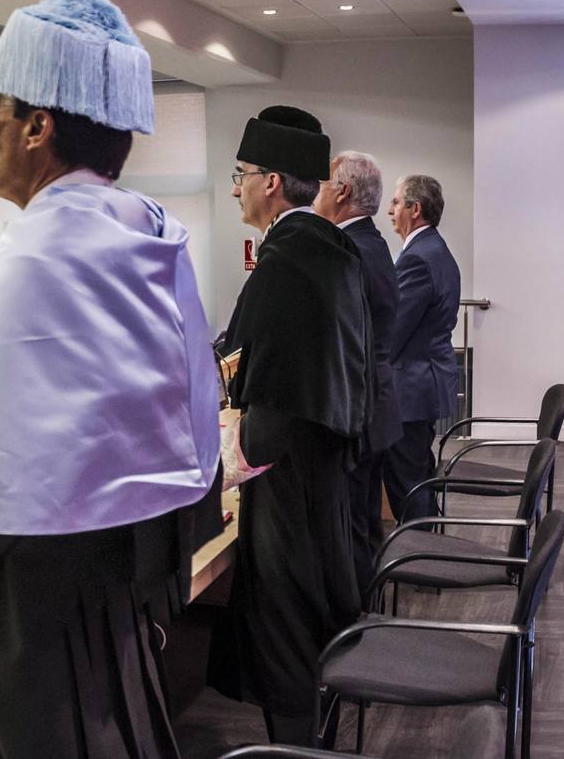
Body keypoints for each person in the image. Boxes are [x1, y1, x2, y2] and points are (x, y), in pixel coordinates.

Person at [0, 0, 223, 758]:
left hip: (31, 618)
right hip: (113, 593)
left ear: (38, 126)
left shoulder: (47, 249)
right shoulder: (141, 228)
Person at [218, 104, 370, 743]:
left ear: (272, 181)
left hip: (286, 488)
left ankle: (294, 750)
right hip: (325, 477)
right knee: (313, 631)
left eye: (242, 173)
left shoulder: (283, 263)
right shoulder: (333, 250)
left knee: (284, 634)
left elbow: (254, 394)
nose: (236, 188)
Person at [313, 151, 403, 586]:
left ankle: (357, 635)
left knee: (351, 533)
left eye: (321, 184)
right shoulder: (374, 243)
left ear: (342, 191)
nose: (314, 195)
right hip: (377, 406)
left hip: (356, 413)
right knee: (364, 528)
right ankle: (368, 617)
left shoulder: (348, 252)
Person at [384, 173, 461, 524]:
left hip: (411, 387)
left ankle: (419, 561)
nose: (390, 210)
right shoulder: (433, 248)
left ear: (415, 209)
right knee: (417, 473)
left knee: (407, 481)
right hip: (424, 382)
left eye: (397, 202)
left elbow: (393, 330)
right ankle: (428, 551)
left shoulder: (418, 257)